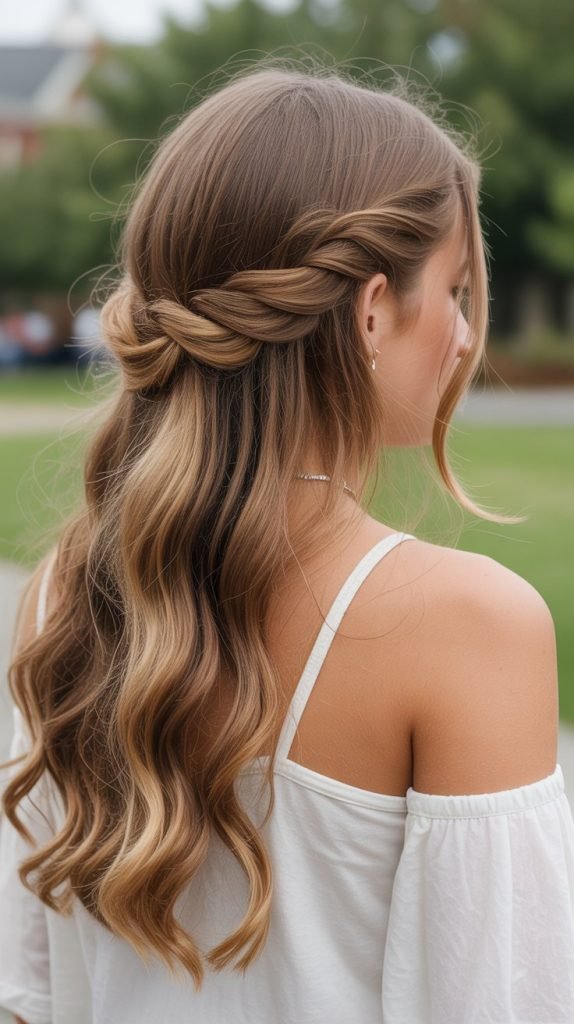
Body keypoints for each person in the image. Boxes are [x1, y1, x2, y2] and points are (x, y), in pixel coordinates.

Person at [0, 61, 572, 1024]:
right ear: (371, 311)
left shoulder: (69, 591)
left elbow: (31, 996)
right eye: (456, 291)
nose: (464, 337)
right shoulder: (468, 627)